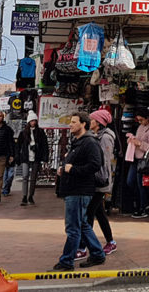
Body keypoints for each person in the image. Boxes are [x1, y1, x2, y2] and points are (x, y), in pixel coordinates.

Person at [52, 112, 106, 271]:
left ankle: (67, 261)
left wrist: (73, 169)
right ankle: (97, 254)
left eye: (74, 122)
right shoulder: (78, 142)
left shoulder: (90, 142)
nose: (70, 125)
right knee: (82, 225)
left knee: (73, 228)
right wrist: (65, 169)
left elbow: (95, 165)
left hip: (79, 191)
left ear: (83, 124)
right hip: (72, 189)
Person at [84, 109, 118, 255]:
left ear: (98, 123)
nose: (88, 122)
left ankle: (85, 246)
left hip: (100, 181)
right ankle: (110, 241)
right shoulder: (95, 136)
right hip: (96, 181)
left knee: (89, 213)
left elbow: (104, 161)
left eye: (91, 120)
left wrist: (98, 177)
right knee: (99, 212)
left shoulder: (105, 138)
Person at [125, 108, 149, 218]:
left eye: (141, 120)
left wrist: (139, 143)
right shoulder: (141, 127)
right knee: (130, 182)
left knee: (142, 185)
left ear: (147, 118)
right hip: (136, 159)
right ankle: (140, 204)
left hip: (144, 161)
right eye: (138, 120)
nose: (140, 122)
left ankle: (143, 207)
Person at [16, 111, 49, 206]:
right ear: (28, 122)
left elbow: (44, 145)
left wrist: (45, 157)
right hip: (26, 157)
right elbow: (18, 145)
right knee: (25, 176)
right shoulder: (23, 133)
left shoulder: (40, 132)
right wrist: (17, 156)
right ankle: (24, 196)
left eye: (34, 120)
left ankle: (31, 195)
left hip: (36, 157)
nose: (33, 122)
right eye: (31, 121)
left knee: (33, 178)